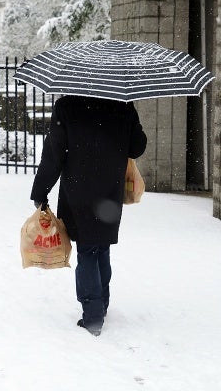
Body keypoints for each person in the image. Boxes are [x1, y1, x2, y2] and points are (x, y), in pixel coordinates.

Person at [31, 95, 147, 336]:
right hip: (109, 193)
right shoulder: (122, 105)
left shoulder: (67, 106)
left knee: (88, 250)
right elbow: (137, 146)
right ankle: (101, 303)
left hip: (79, 190)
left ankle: (93, 315)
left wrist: (41, 191)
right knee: (101, 247)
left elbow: (53, 154)